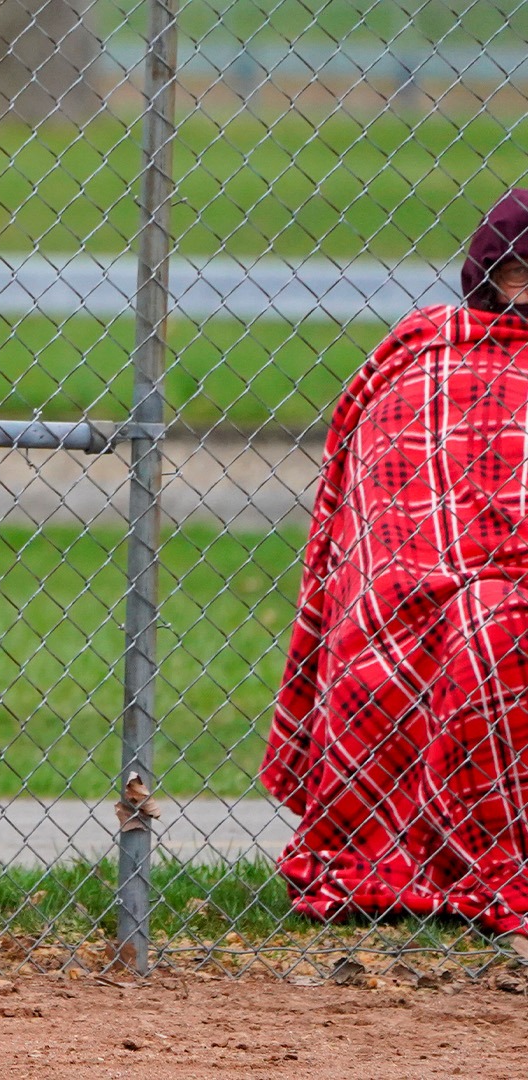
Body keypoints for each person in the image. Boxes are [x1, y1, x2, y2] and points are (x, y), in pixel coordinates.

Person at [264, 188, 528, 935]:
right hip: (406, 603)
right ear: (494, 276)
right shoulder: (424, 362)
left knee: (493, 623)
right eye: (522, 274)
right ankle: (419, 847)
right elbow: (385, 525)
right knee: (467, 623)